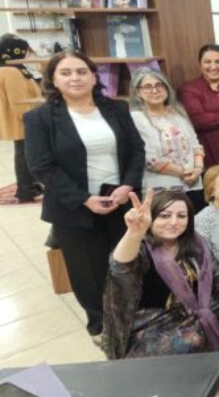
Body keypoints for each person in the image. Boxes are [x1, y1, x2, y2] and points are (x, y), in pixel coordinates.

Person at [25, 51, 146, 340]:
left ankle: (138, 318)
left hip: (120, 201)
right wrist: (84, 199)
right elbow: (42, 167)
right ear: (53, 79)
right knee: (89, 274)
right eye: (65, 73)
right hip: (74, 208)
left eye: (81, 71)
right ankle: (104, 328)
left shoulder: (116, 109)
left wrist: (128, 185)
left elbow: (136, 149)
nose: (75, 78)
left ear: (94, 76)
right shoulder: (39, 118)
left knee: (129, 264)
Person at [103, 190, 219, 358]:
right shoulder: (141, 248)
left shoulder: (196, 243)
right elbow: (120, 266)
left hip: (197, 310)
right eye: (164, 216)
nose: (174, 222)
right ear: (151, 217)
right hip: (155, 323)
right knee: (190, 341)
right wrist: (133, 234)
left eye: (181, 216)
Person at [128, 69, 205, 210]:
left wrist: (198, 169)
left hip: (194, 184)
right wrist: (185, 172)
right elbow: (149, 159)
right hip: (162, 189)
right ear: (138, 92)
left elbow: (196, 145)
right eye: (147, 87)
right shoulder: (135, 118)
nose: (154, 90)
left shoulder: (178, 112)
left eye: (159, 85)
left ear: (167, 88)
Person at [0, 35, 43, 203]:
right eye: (24, 51)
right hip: (21, 120)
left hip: (21, 119)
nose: (26, 54)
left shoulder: (13, 68)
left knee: (24, 153)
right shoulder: (11, 71)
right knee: (24, 154)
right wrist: (30, 120)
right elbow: (19, 101)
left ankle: (30, 186)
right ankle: (26, 189)